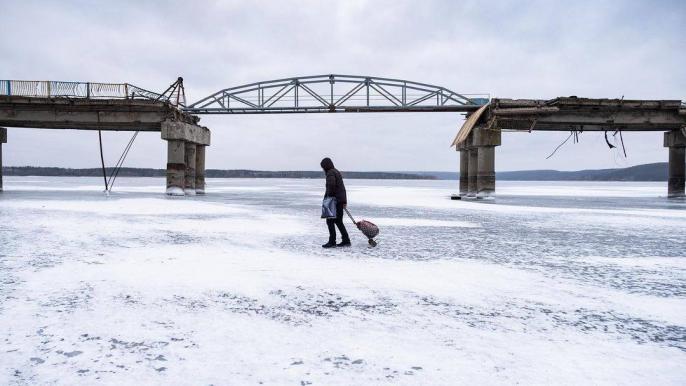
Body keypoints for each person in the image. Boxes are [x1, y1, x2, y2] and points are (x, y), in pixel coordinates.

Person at [320, 157, 350, 248]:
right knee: (338, 221)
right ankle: (346, 240)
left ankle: (332, 241)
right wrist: (344, 200)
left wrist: (329, 198)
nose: (322, 169)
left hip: (334, 201)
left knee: (330, 221)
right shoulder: (336, 171)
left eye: (322, 167)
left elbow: (331, 186)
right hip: (339, 200)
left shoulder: (330, 173)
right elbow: (342, 188)